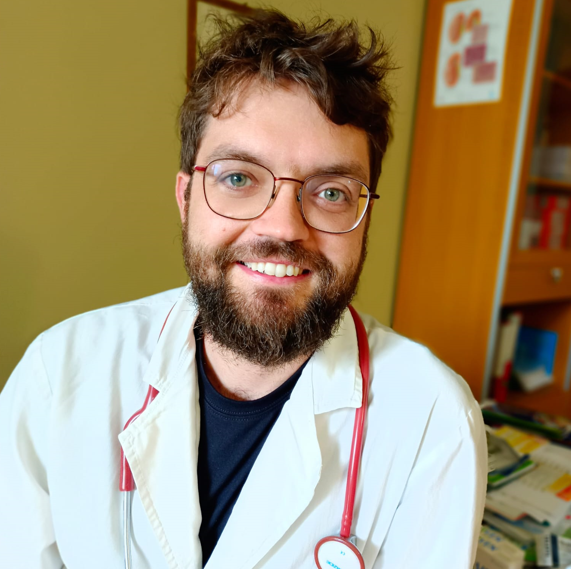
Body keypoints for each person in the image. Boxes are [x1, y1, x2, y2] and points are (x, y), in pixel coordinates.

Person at [0, 10, 487, 569]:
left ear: (365, 218)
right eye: (238, 178)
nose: (283, 228)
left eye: (331, 192)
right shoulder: (58, 375)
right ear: (186, 198)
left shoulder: (433, 422)